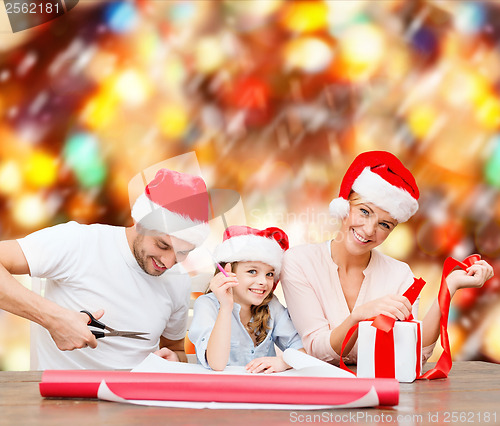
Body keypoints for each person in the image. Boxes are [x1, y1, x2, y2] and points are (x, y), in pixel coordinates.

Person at [281, 151, 494, 366]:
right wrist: (359, 316)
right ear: (345, 205)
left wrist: (449, 286)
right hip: (320, 393)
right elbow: (318, 351)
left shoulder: (399, 275)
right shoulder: (299, 262)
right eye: (364, 211)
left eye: (384, 224)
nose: (369, 229)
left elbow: (414, 354)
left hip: (384, 393)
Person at [0, 168, 212, 369]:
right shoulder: (78, 242)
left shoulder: (177, 280)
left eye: (183, 252)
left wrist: (173, 360)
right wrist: (52, 318)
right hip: (65, 400)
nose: (168, 262)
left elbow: (174, 349)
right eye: (162, 245)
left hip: (137, 401)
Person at [189, 225, 304, 373]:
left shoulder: (271, 306)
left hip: (262, 391)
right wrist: (225, 307)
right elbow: (216, 364)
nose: (263, 281)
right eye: (252, 271)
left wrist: (283, 362)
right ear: (227, 272)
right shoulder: (207, 305)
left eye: (269, 274)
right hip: (219, 392)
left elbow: (302, 349)